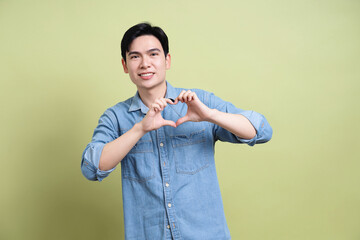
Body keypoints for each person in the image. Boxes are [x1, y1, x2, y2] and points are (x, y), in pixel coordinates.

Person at [81, 22, 273, 240]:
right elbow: (91, 168)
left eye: (153, 54)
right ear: (125, 65)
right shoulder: (116, 117)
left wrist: (210, 115)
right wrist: (140, 129)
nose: (145, 64)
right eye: (135, 57)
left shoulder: (199, 102)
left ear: (167, 60)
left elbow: (261, 130)